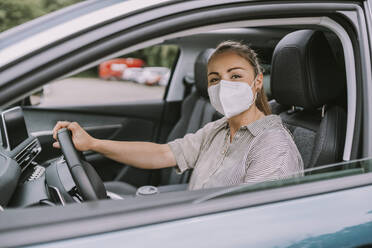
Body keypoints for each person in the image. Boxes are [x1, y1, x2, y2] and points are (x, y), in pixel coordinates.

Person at [53, 41, 304, 191]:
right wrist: (93, 143)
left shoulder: (274, 147)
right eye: (215, 79)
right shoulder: (219, 129)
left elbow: (256, 226)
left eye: (235, 76)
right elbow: (163, 153)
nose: (224, 85)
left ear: (257, 82)